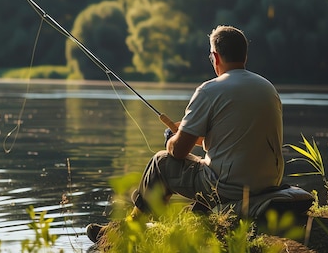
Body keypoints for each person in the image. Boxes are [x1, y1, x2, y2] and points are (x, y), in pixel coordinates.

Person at [87, 25, 285, 243]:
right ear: (245, 55)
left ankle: (127, 230)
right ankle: (187, 220)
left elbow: (179, 151)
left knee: (161, 163)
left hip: (229, 187)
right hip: (268, 183)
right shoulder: (268, 88)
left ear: (215, 57)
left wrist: (172, 139)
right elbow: (237, 140)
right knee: (201, 165)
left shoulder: (210, 90)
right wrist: (194, 134)